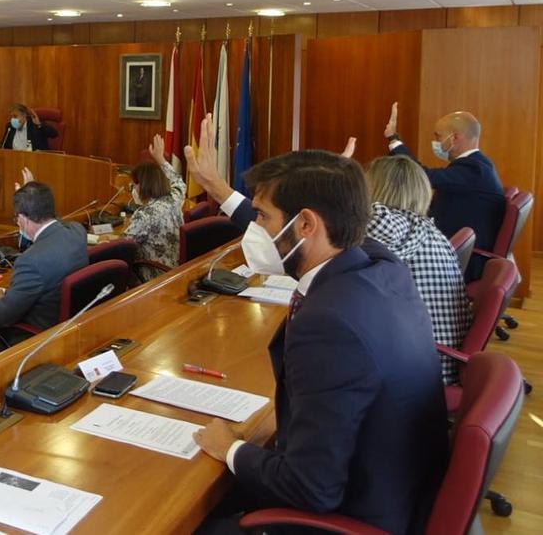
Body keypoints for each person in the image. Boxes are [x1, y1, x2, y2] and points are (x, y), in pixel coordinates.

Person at [186, 116, 448, 534]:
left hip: (351, 515)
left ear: (306, 224)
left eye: (263, 217)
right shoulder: (381, 265)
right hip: (398, 487)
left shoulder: (329, 324)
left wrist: (231, 448)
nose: (256, 231)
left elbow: (311, 487)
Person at [0, 171, 87, 371]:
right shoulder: (77, 233)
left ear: (23, 219)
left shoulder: (31, 261)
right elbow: (58, 221)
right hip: (67, 331)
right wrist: (34, 197)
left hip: (34, 341)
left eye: (16, 218)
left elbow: (0, 317)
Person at [365, 156, 473, 385]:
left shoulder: (393, 224)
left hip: (421, 369)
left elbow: (365, 216)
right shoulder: (422, 227)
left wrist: (338, 182)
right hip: (437, 357)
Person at [384, 102, 504, 252]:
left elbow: (422, 176)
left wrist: (393, 140)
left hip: (464, 257)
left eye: (438, 136)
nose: (435, 142)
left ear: (454, 138)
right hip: (454, 245)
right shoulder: (475, 165)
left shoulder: (474, 169)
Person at [122, 134, 186, 282]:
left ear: (142, 185)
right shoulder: (173, 200)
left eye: (134, 184)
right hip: (174, 271)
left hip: (153, 278)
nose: (134, 189)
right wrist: (161, 159)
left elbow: (122, 248)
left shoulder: (145, 214)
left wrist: (104, 240)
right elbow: (178, 182)